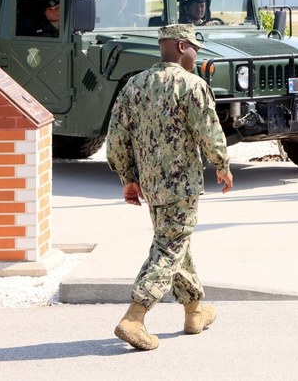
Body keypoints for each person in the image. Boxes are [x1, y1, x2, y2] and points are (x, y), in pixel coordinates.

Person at [106, 23, 233, 351]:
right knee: (170, 246)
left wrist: (128, 178)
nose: (196, 54)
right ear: (180, 46)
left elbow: (117, 137)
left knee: (176, 243)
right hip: (182, 186)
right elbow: (209, 130)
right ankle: (134, 317)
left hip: (152, 186)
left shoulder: (134, 85)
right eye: (194, 48)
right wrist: (222, 164)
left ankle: (194, 311)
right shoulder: (191, 85)